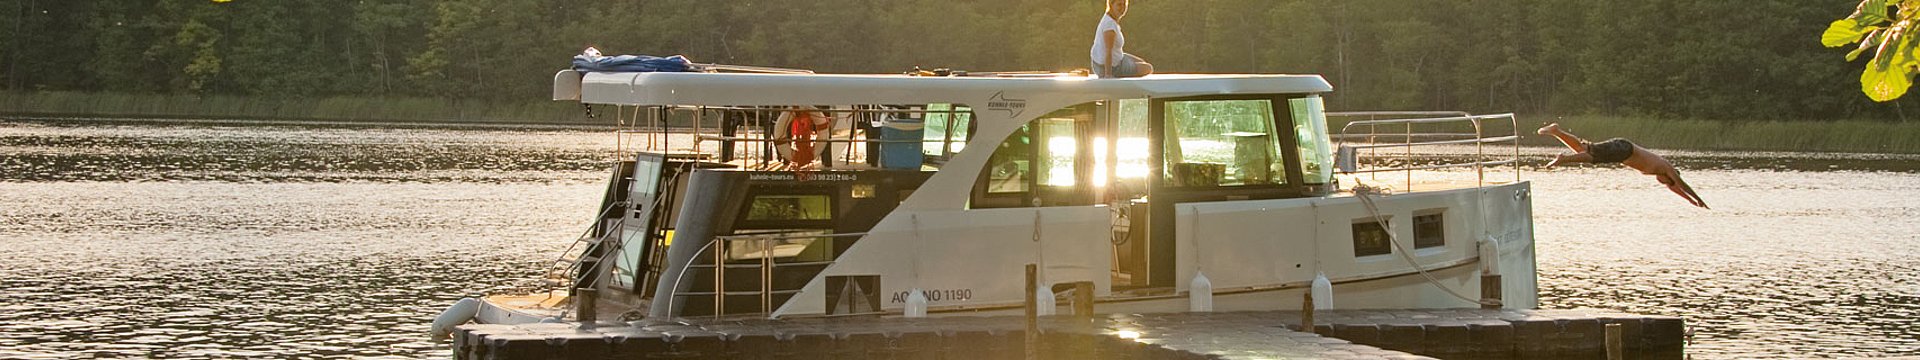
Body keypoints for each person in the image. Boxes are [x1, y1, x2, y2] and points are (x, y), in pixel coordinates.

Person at [1538, 123, 1708, 209]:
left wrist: (1691, 202)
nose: (1661, 182)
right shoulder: (1666, 167)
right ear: (1670, 177)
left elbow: (1675, 189)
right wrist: (1699, 199)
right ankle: (1563, 159)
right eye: (1665, 182)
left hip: (1622, 153)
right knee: (1592, 157)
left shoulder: (1662, 175)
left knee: (1584, 149)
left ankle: (1556, 131)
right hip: (1624, 149)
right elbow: (1681, 185)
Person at [1091, 0, 1154, 78]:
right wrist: (1108, 75)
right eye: (1119, 5)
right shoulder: (1109, 25)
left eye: (1124, 5)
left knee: (1142, 61)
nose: (1122, 8)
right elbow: (1108, 51)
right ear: (1111, 5)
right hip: (1111, 67)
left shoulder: (1111, 19)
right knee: (1148, 68)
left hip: (1116, 58)